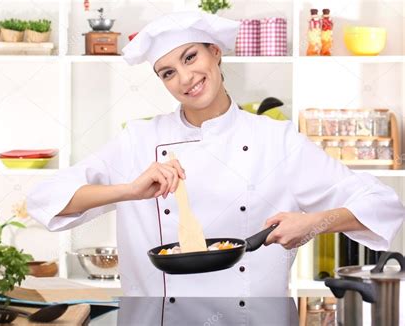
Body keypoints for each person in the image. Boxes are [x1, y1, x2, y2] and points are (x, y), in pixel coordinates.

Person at [27, 11, 405, 297]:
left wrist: (315, 222)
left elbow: (382, 203)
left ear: (215, 52)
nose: (185, 79)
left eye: (190, 58)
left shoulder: (278, 140)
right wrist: (129, 190)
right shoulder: (138, 140)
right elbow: (45, 200)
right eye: (168, 73)